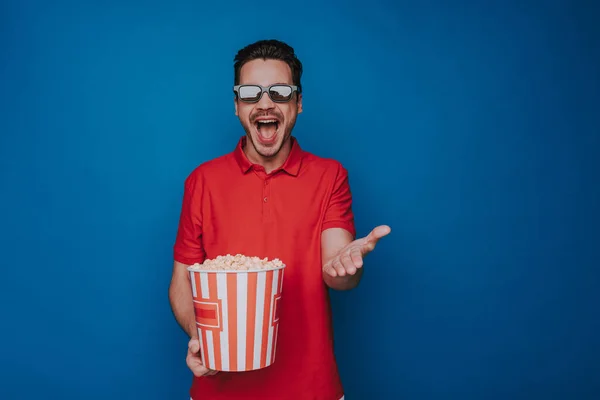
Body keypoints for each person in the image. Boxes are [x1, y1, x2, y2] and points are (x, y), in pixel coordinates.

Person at [168, 39, 391, 400]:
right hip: (220, 390)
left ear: (298, 103)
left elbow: (338, 265)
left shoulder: (330, 176)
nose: (265, 103)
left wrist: (345, 266)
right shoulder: (201, 181)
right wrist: (204, 340)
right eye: (251, 93)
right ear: (237, 105)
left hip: (311, 388)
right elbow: (181, 283)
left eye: (280, 92)